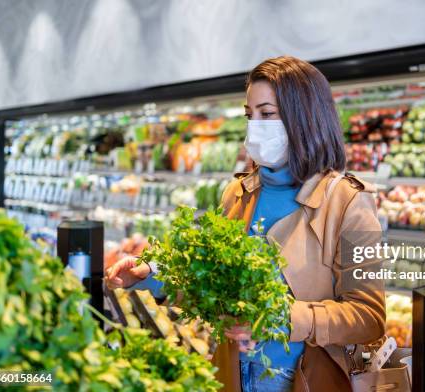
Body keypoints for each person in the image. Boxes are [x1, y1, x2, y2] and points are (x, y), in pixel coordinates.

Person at [106, 56, 386, 392]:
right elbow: (211, 292)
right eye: (249, 115)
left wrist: (282, 318)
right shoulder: (238, 194)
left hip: (302, 380)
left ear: (304, 117)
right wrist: (151, 276)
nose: (255, 125)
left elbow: (369, 317)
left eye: (267, 114)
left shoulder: (348, 202)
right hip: (233, 374)